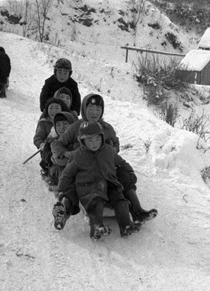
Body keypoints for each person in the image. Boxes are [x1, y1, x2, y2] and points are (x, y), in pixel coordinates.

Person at [52, 93, 157, 227]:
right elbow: (56, 144)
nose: (94, 113)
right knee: (73, 184)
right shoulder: (76, 127)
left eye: (98, 109)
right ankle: (64, 211)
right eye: (90, 109)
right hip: (83, 167)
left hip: (104, 167)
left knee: (124, 178)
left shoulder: (107, 128)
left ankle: (138, 212)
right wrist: (67, 154)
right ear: (84, 109)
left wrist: (112, 151)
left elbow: (115, 143)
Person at [54, 121, 140, 239]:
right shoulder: (78, 156)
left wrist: (130, 172)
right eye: (89, 140)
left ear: (102, 137)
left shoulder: (109, 151)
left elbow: (121, 163)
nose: (94, 143)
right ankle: (96, 227)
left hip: (110, 184)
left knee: (121, 201)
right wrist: (61, 190)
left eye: (97, 139)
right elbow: (67, 174)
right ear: (82, 141)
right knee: (96, 203)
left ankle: (125, 226)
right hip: (89, 187)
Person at [33, 98, 71, 177]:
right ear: (47, 109)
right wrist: (41, 144)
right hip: (48, 148)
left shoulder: (67, 119)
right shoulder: (44, 122)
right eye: (51, 108)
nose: (54, 111)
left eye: (57, 108)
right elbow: (38, 137)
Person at [43, 111, 77, 186]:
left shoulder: (76, 139)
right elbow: (45, 153)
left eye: (65, 124)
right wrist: (50, 157)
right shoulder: (52, 140)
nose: (62, 127)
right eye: (58, 125)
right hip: (58, 171)